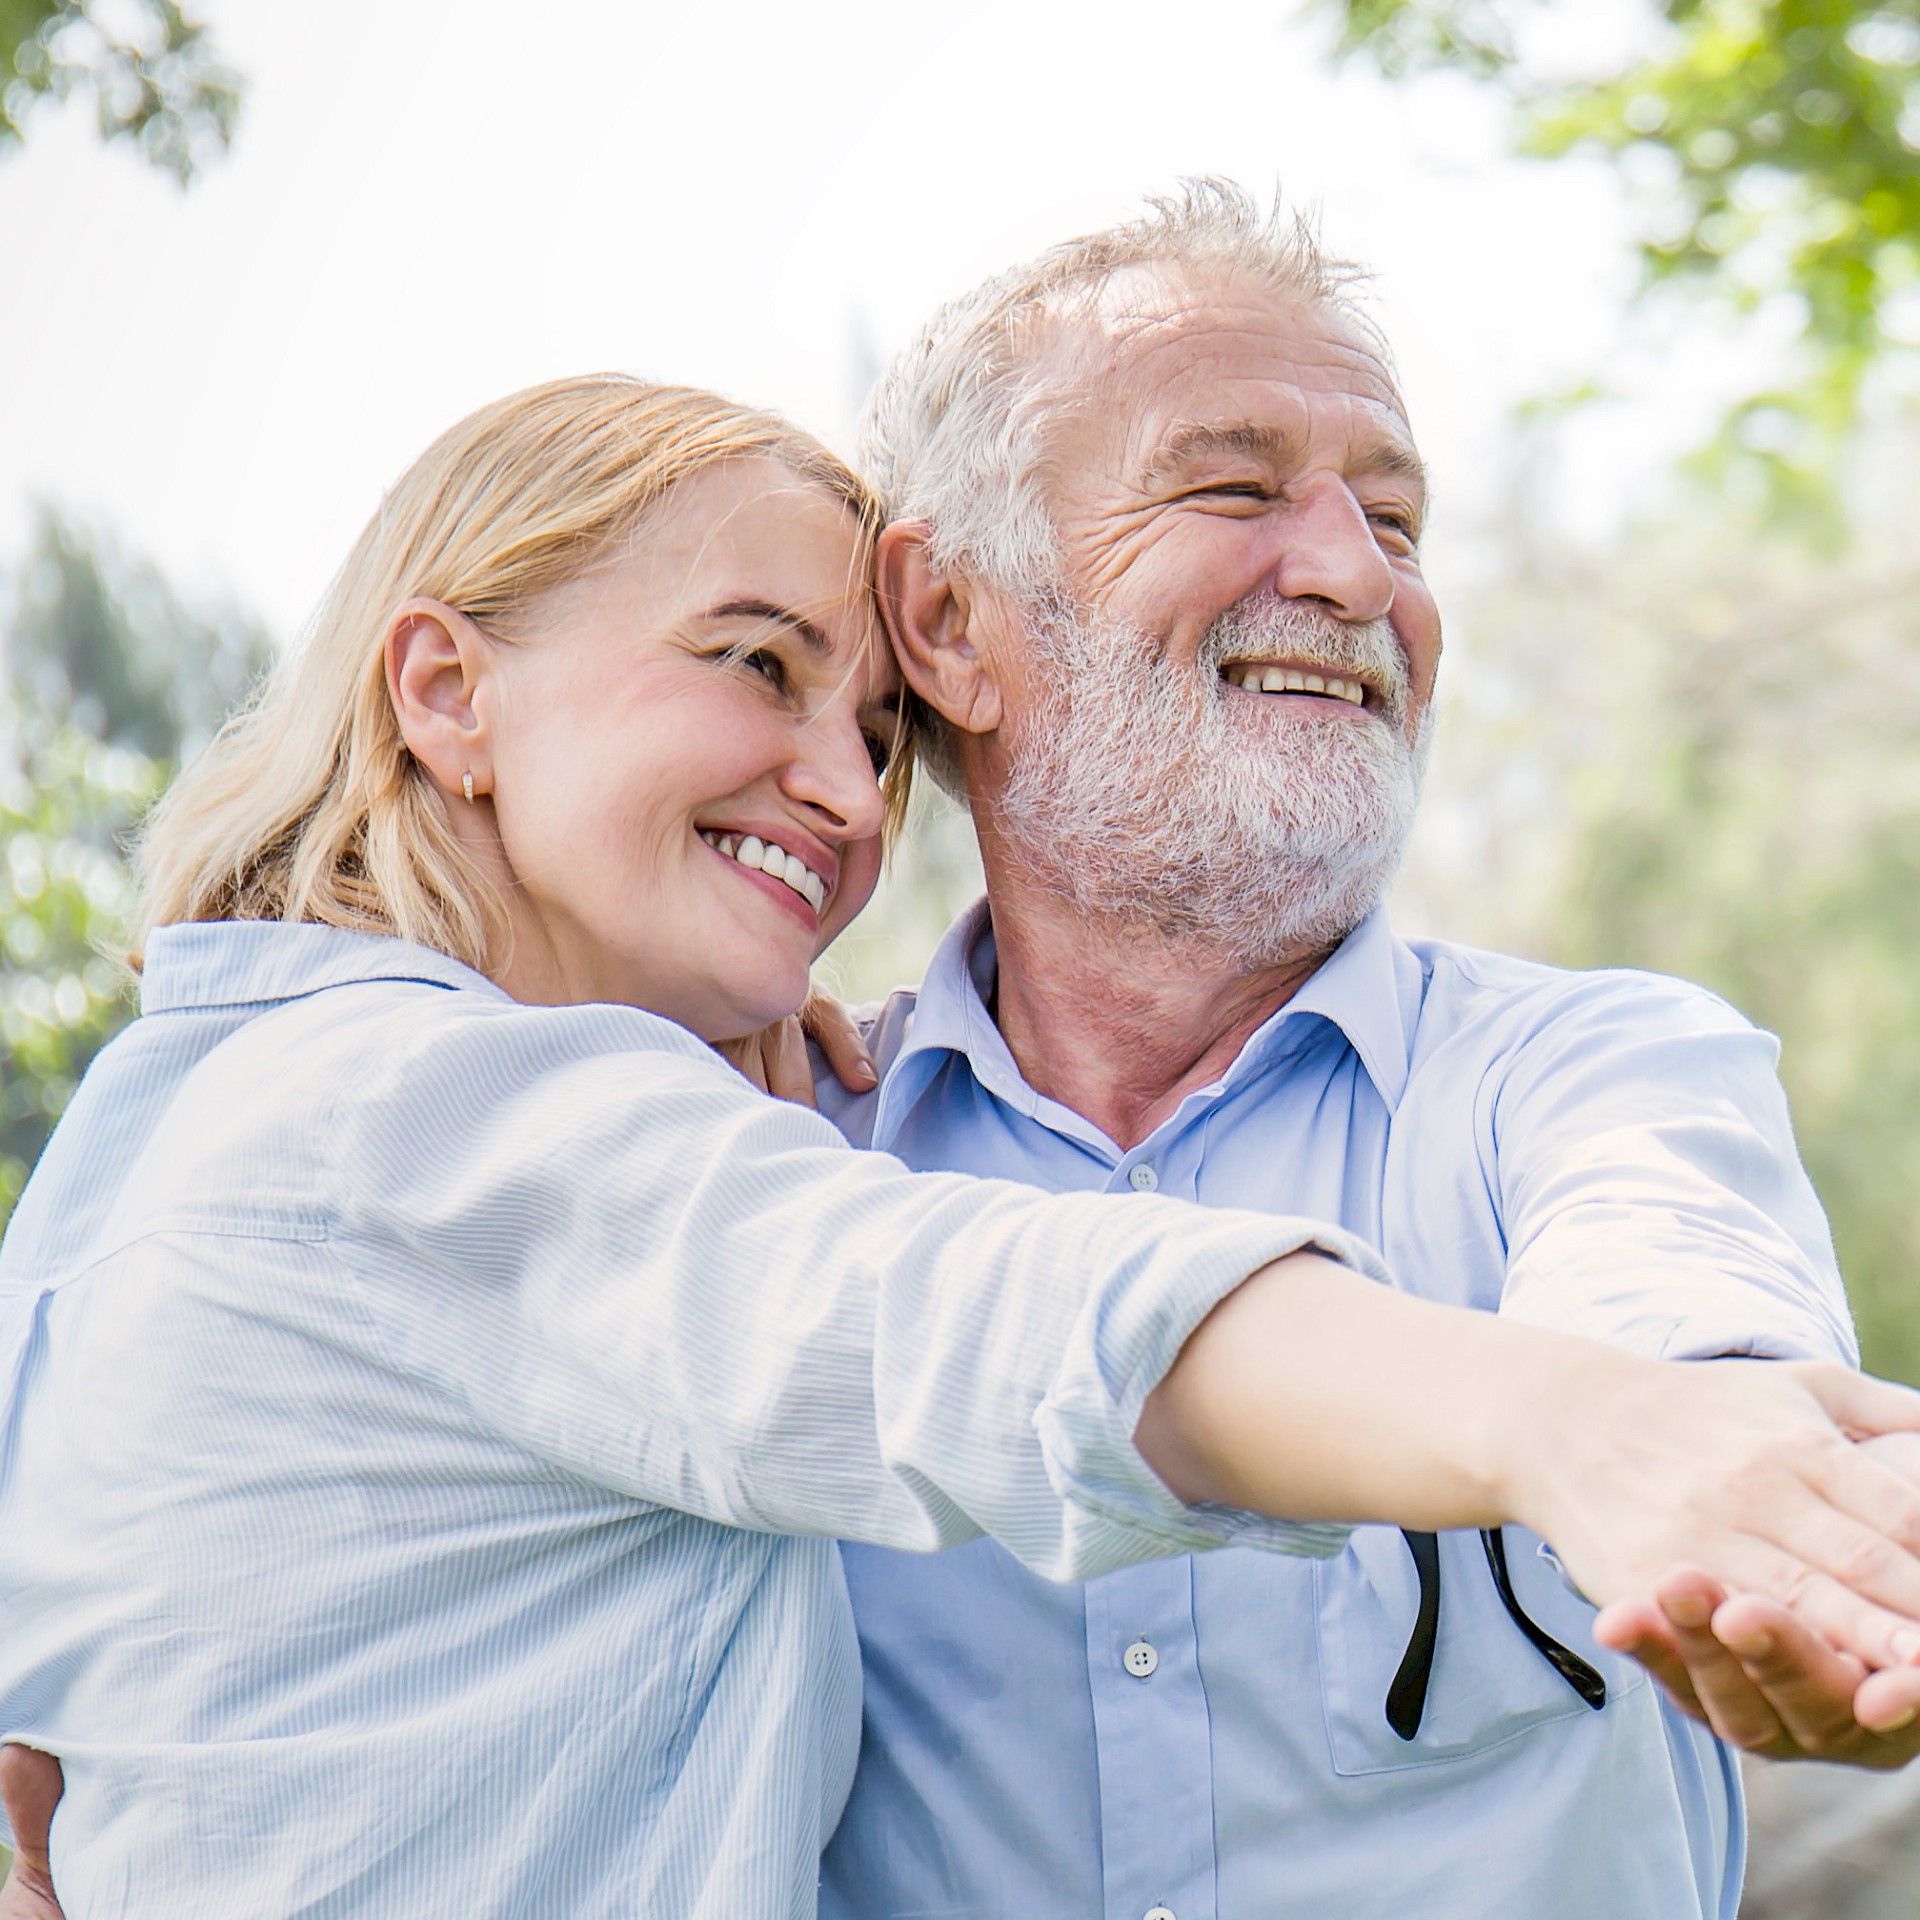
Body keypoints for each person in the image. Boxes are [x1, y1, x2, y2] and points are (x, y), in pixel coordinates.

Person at [3, 372, 1920, 1919]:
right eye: (752, 666)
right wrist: (1570, 1427)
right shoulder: (445, 1119)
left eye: (873, 731)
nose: (842, 785)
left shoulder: (175, 1115)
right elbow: (963, 1318)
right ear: (443, 689)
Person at [803, 183, 1920, 1920]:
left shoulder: (1605, 1070)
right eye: (1233, 488)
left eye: (1395, 520)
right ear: (949, 621)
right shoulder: (784, 1158)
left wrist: (1785, 1524)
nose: (1352, 575)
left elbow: (1693, 1338)